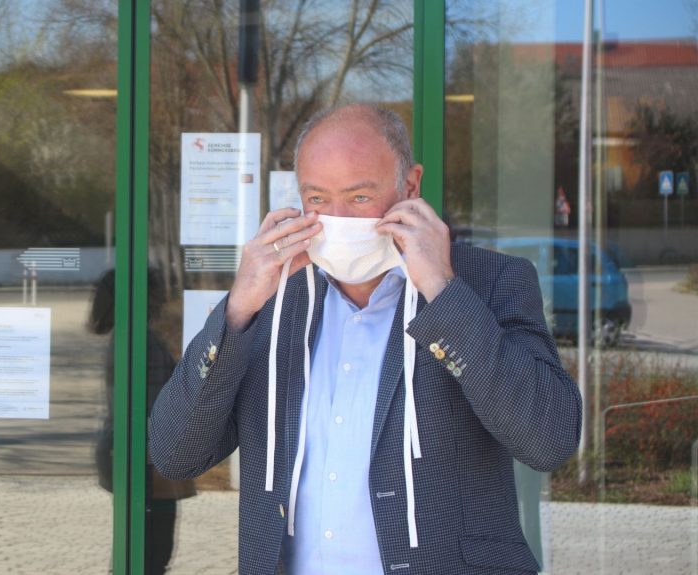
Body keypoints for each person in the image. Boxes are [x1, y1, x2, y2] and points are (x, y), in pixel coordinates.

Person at [148, 104, 582, 575]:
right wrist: (236, 311)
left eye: (358, 198)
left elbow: (550, 440)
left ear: (410, 187)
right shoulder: (272, 299)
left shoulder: (489, 282)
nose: (334, 219)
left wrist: (443, 292)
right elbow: (176, 451)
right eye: (317, 199)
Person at [89, 269, 196, 574]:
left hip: (137, 453)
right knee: (148, 554)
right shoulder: (138, 339)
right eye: (156, 292)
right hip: (145, 458)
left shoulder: (129, 335)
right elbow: (152, 404)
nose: (162, 300)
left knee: (140, 553)